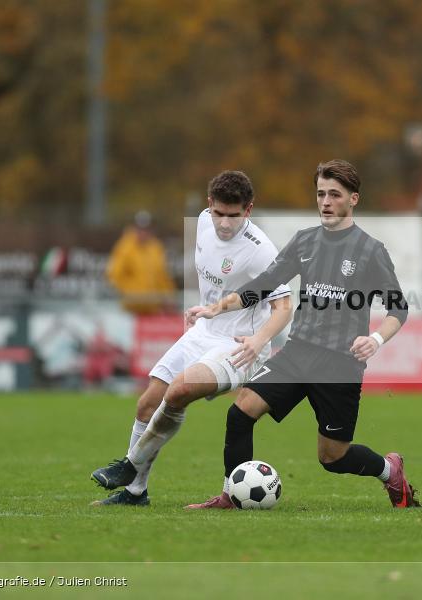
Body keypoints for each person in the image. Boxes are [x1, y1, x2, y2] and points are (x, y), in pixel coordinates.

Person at [187, 159, 418, 509]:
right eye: (321, 193)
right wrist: (218, 307)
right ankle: (230, 497)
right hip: (298, 353)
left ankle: (390, 471)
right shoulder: (305, 241)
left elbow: (397, 309)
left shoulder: (371, 251)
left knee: (333, 458)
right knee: (240, 412)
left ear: (353, 199)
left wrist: (375, 339)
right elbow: (264, 284)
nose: (325, 201)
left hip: (340, 364)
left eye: (334, 195)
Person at [89, 171, 293, 505]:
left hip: (240, 346)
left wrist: (259, 342)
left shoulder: (261, 251)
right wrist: (207, 309)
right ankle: (136, 491)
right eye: (219, 213)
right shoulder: (201, 222)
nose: (225, 223)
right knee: (147, 404)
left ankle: (129, 464)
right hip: (203, 332)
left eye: (234, 215)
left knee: (180, 389)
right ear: (209, 205)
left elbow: (285, 306)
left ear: (249, 210)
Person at [106, 210, 176, 315]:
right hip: (130, 311)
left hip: (153, 309)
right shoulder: (124, 247)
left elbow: (163, 276)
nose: (143, 232)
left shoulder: (156, 247)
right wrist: (130, 293)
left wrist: (169, 296)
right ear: (134, 228)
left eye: (147, 228)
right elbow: (114, 275)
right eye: (140, 228)